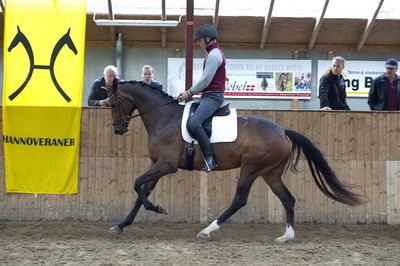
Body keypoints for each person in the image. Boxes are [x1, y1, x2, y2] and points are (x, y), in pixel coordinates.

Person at [179, 24, 226, 172]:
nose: (198, 44)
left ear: (207, 39)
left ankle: (210, 158)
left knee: (194, 123)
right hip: (208, 96)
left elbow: (206, 79)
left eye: (199, 41)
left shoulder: (213, 55)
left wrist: (190, 92)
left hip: (213, 97)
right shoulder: (211, 54)